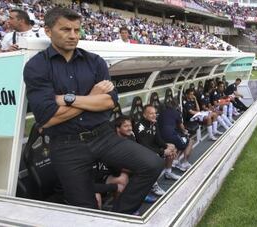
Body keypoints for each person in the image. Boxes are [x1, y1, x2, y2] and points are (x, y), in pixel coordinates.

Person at [23, 7, 163, 214]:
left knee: (152, 164)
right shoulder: (37, 66)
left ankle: (119, 215)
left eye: (76, 30)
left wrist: (68, 100)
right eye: (65, 29)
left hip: (103, 135)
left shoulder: (94, 61)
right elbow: (48, 118)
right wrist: (91, 97)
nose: (73, 35)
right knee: (84, 208)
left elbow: (108, 102)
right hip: (66, 144)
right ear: (48, 31)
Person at [134, 104, 180, 196]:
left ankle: (168, 172)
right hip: (142, 151)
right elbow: (144, 146)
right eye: (151, 113)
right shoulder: (140, 126)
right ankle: (153, 185)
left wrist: (167, 146)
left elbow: (158, 140)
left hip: (153, 148)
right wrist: (162, 151)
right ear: (144, 115)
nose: (154, 115)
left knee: (172, 146)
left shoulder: (154, 123)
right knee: (156, 156)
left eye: (155, 113)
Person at [158, 98, 193, 172]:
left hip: (160, 137)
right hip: (170, 135)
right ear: (176, 106)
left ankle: (175, 160)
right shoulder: (176, 113)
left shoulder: (162, 112)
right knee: (189, 140)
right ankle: (184, 163)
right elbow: (182, 127)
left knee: (179, 140)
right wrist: (185, 132)